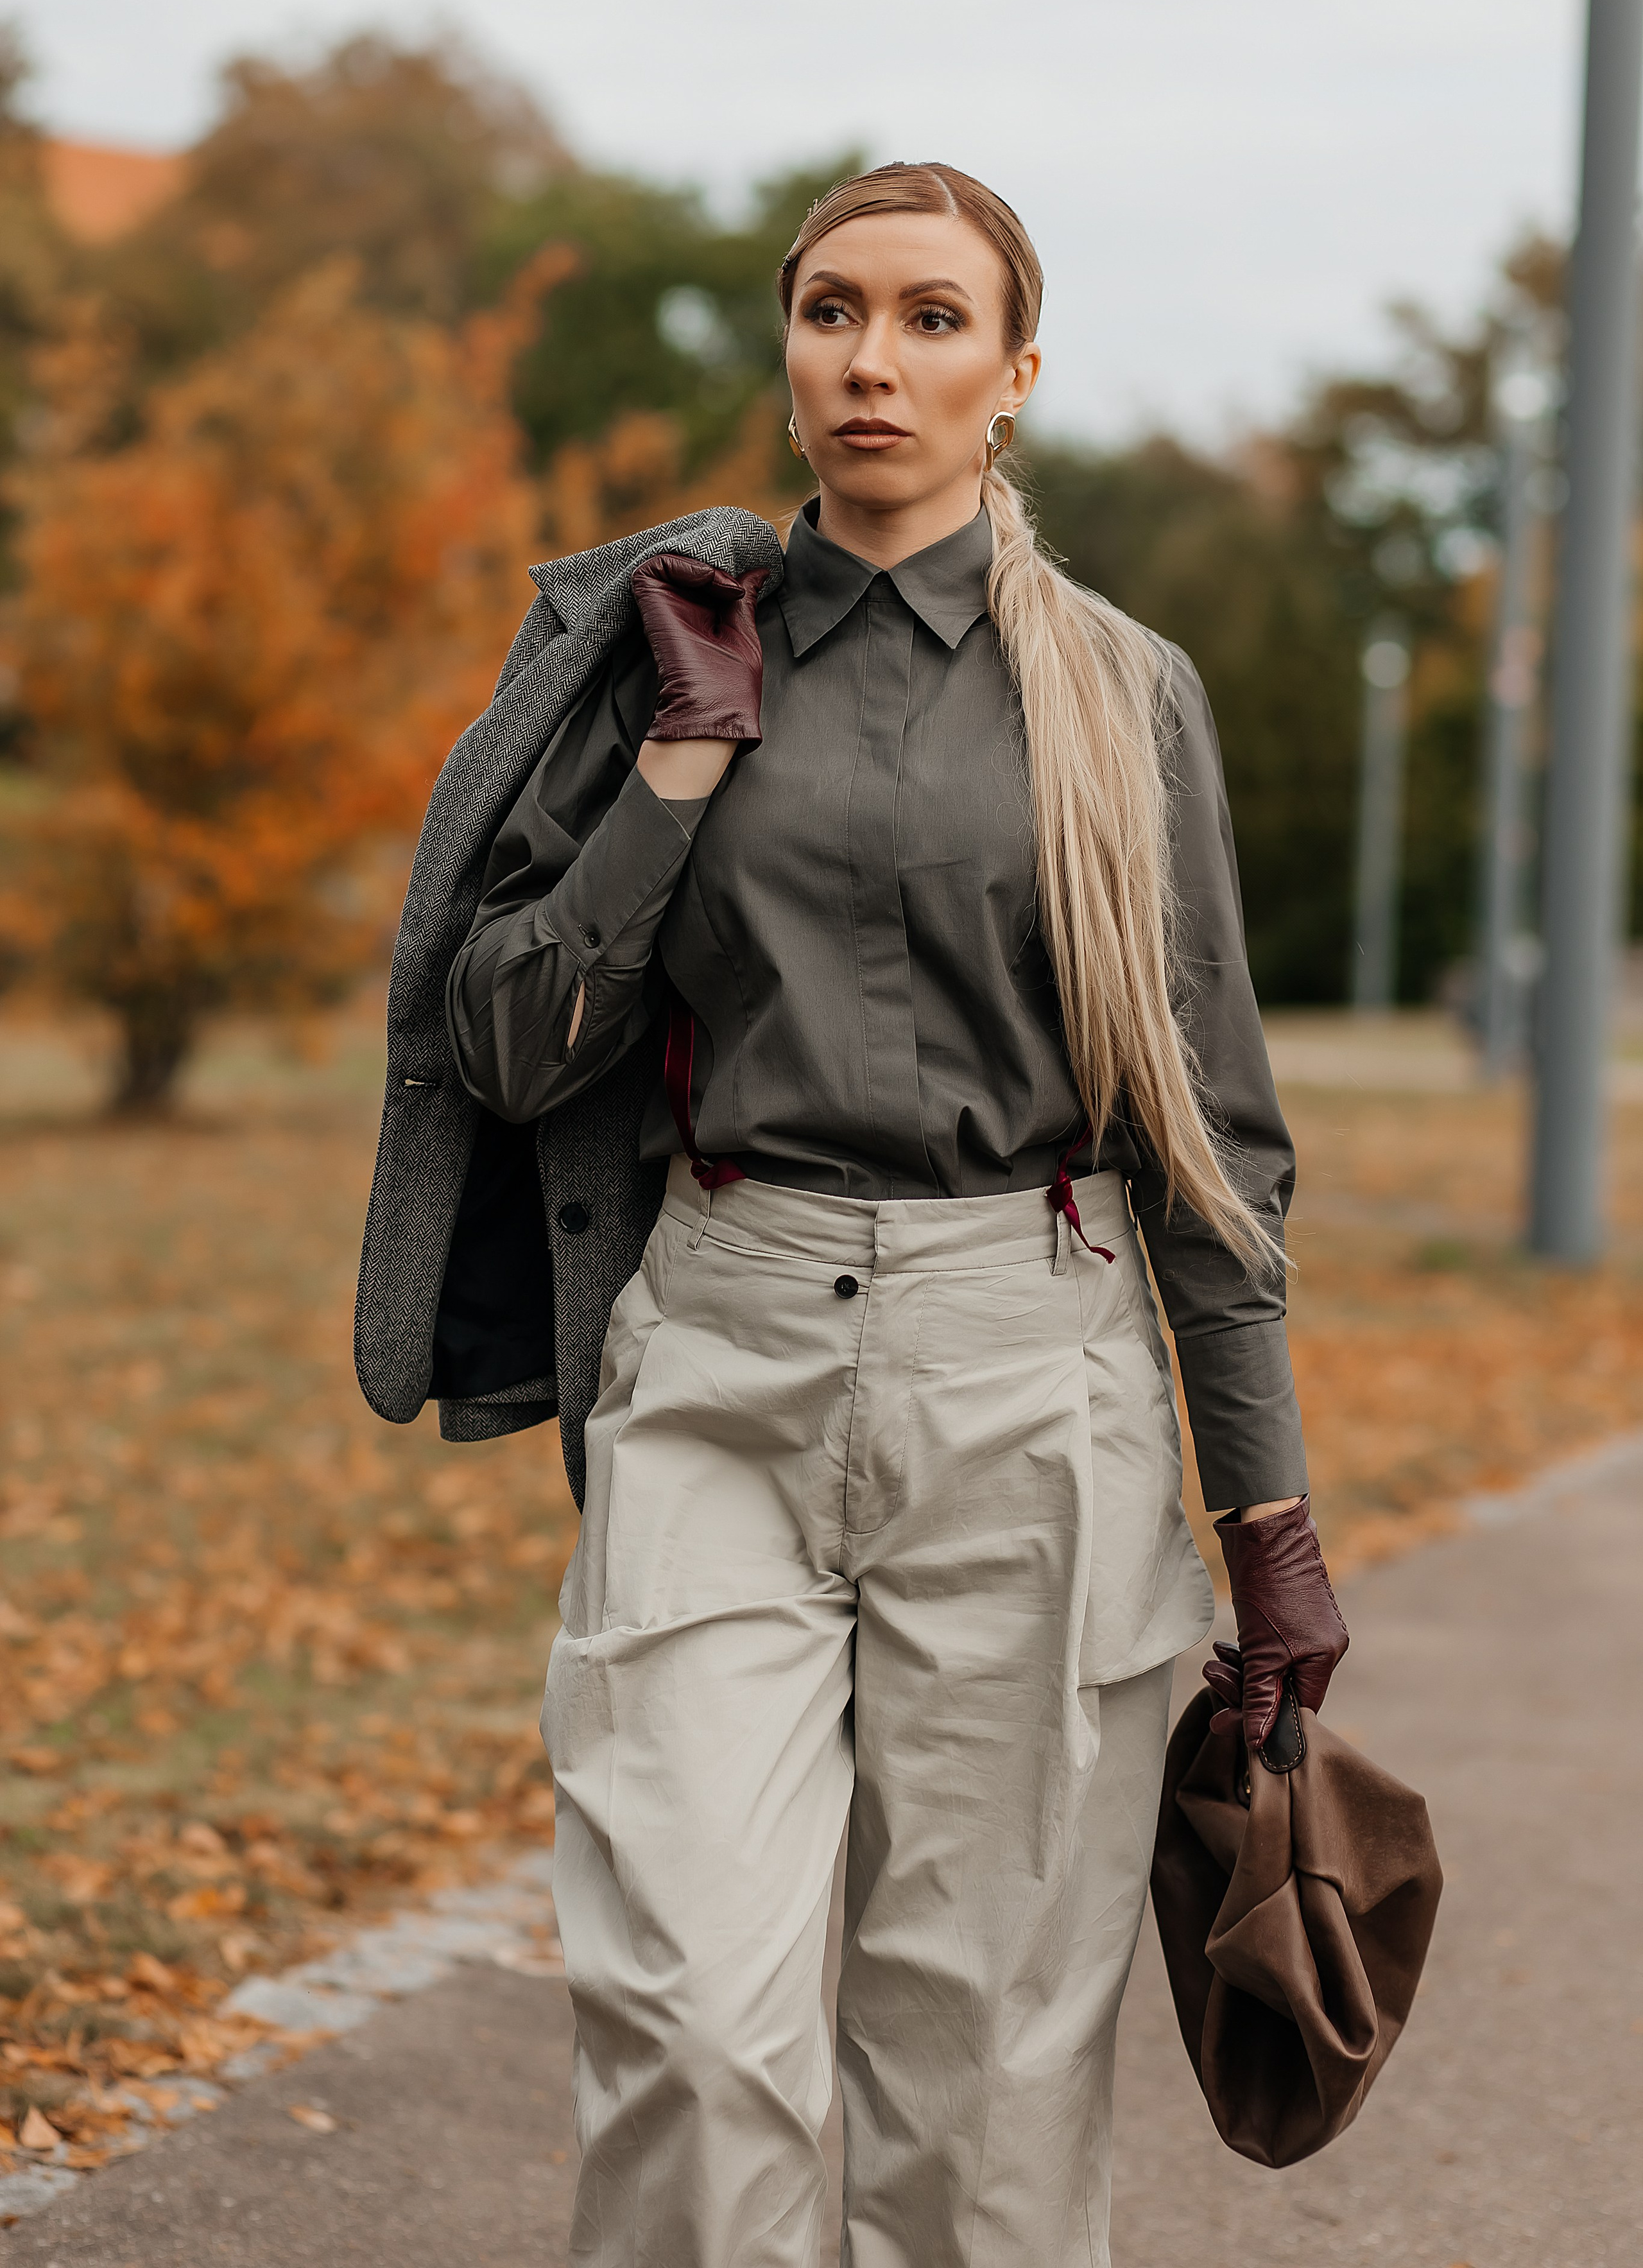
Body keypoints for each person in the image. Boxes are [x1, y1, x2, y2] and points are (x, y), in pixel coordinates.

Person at [368, 160, 1348, 2268]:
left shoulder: (1121, 689)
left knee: (985, 2073)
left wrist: (1271, 1537)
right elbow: (503, 1039)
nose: (872, 359)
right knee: (687, 2022)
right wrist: (677, 777)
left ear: (1014, 375)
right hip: (720, 1355)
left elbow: (1212, 1141)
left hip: (1039, 1378)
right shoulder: (655, 667)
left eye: (927, 318)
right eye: (831, 312)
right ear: (788, 354)